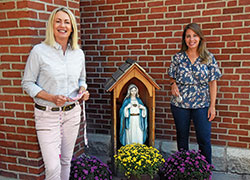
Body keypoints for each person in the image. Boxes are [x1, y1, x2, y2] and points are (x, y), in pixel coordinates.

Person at [22, 7, 89, 180]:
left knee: (66, 161)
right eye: (58, 21)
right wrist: (51, 97)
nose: (62, 25)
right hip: (47, 115)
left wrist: (83, 90)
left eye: (67, 22)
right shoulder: (39, 51)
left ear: (72, 27)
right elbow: (27, 83)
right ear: (51, 25)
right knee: (52, 167)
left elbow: (82, 80)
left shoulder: (78, 54)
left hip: (72, 114)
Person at [168, 23, 222, 164]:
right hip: (180, 103)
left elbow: (213, 83)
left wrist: (212, 106)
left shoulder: (209, 58)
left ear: (200, 38)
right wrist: (173, 84)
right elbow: (172, 75)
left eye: (194, 36)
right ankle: (182, 170)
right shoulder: (178, 58)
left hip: (202, 104)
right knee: (182, 138)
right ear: (184, 39)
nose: (191, 39)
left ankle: (205, 171)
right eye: (188, 36)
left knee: (204, 139)